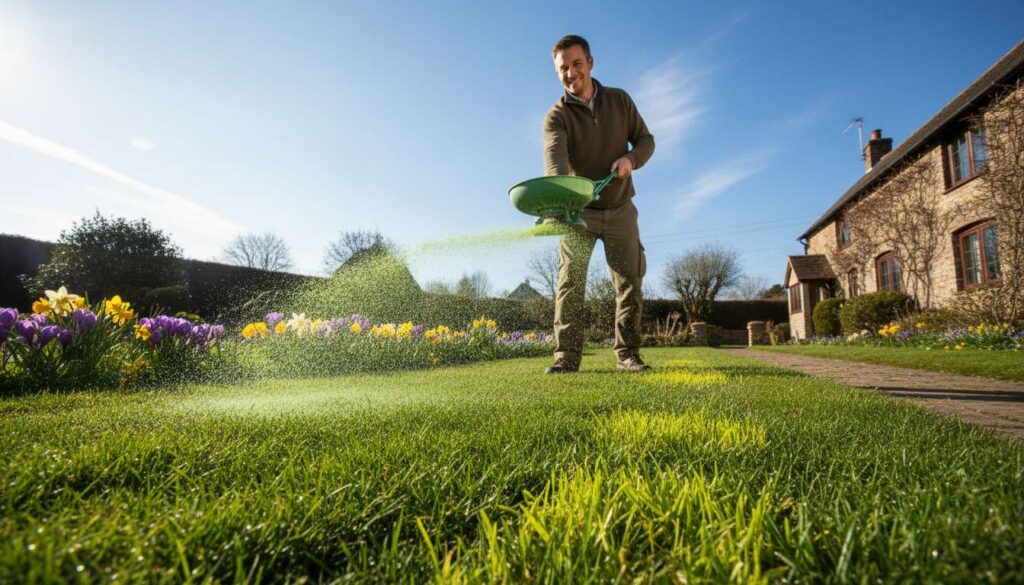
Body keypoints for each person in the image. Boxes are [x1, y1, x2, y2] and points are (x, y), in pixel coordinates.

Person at [542, 34, 655, 373]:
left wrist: (630, 160)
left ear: (590, 63)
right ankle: (566, 358)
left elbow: (646, 140)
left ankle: (627, 355)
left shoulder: (620, 101)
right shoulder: (556, 117)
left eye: (577, 64)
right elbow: (556, 162)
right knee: (569, 284)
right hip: (578, 213)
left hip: (620, 208)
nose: (570, 73)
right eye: (563, 68)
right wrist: (561, 200)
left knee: (630, 280)